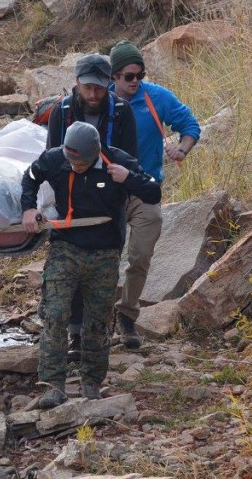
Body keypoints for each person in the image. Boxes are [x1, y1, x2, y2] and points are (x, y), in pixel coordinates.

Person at [21, 122, 160, 408]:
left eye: (81, 162)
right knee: (56, 314)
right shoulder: (55, 158)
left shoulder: (118, 162)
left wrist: (128, 179)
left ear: (95, 153)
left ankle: (92, 383)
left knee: (97, 321)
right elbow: (31, 177)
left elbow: (153, 193)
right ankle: (52, 385)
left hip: (105, 252)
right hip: (65, 247)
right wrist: (29, 207)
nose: (75, 166)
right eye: (71, 161)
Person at [45, 53, 138, 359]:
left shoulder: (122, 112)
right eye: (88, 88)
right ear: (77, 84)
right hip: (69, 202)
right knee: (68, 270)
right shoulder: (63, 111)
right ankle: (73, 335)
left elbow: (129, 158)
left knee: (102, 269)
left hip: (108, 204)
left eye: (99, 88)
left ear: (109, 84)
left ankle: (96, 335)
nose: (94, 95)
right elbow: (50, 157)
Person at [108, 40, 199, 349]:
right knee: (106, 257)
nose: (135, 82)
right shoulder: (100, 101)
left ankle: (127, 316)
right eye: (128, 76)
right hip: (108, 191)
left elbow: (189, 124)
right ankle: (97, 316)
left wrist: (182, 149)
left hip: (145, 189)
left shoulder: (156, 97)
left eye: (139, 75)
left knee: (140, 255)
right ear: (114, 76)